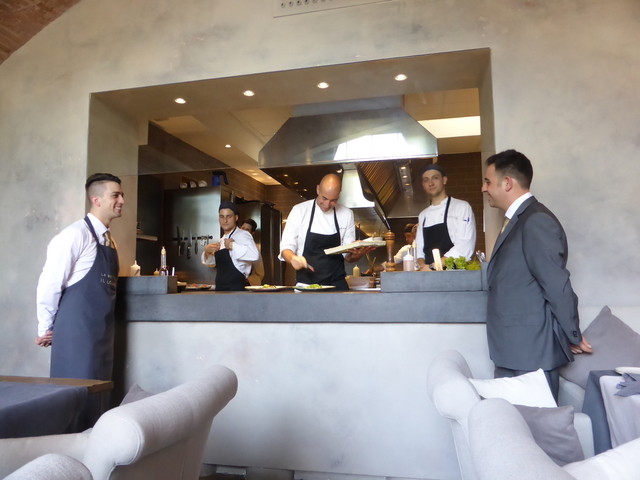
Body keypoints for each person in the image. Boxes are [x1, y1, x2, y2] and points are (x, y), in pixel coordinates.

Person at [482, 149, 592, 399]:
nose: (483, 188)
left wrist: (571, 333)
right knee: (511, 421)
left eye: (488, 181)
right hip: (513, 349)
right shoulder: (518, 220)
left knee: (538, 422)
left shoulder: (536, 220)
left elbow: (556, 285)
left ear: (507, 183)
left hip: (530, 352)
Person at [36, 173, 124, 384]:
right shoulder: (75, 235)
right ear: (96, 200)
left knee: (98, 391)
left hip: (102, 333)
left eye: (122, 195)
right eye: (116, 195)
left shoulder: (109, 240)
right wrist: (45, 327)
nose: (122, 201)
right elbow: (50, 282)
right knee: (73, 392)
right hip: (76, 333)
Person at [280, 173, 374, 290]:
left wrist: (357, 255)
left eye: (333, 200)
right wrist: (293, 258)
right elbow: (286, 247)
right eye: (324, 198)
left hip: (337, 285)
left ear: (339, 195)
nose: (327, 205)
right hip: (307, 286)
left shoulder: (346, 214)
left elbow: (348, 257)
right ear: (318, 189)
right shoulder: (300, 210)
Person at [415, 164, 476, 270]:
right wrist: (423, 267)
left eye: (435, 178)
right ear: (423, 185)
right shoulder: (423, 215)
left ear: (444, 180)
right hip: (428, 274)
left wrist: (434, 266)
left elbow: (465, 244)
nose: (430, 183)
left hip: (454, 273)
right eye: (426, 180)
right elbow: (419, 251)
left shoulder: (461, 207)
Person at [202, 201, 259, 291]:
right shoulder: (221, 240)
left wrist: (232, 245)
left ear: (236, 218)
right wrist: (207, 252)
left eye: (229, 216)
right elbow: (212, 263)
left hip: (237, 290)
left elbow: (254, 255)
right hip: (220, 289)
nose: (225, 220)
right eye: (222, 217)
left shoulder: (243, 235)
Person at [240, 218, 265, 286]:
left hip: (245, 284)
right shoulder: (231, 243)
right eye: (243, 228)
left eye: (247, 230)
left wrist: (248, 280)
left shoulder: (254, 249)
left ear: (252, 233)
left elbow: (259, 272)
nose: (244, 231)